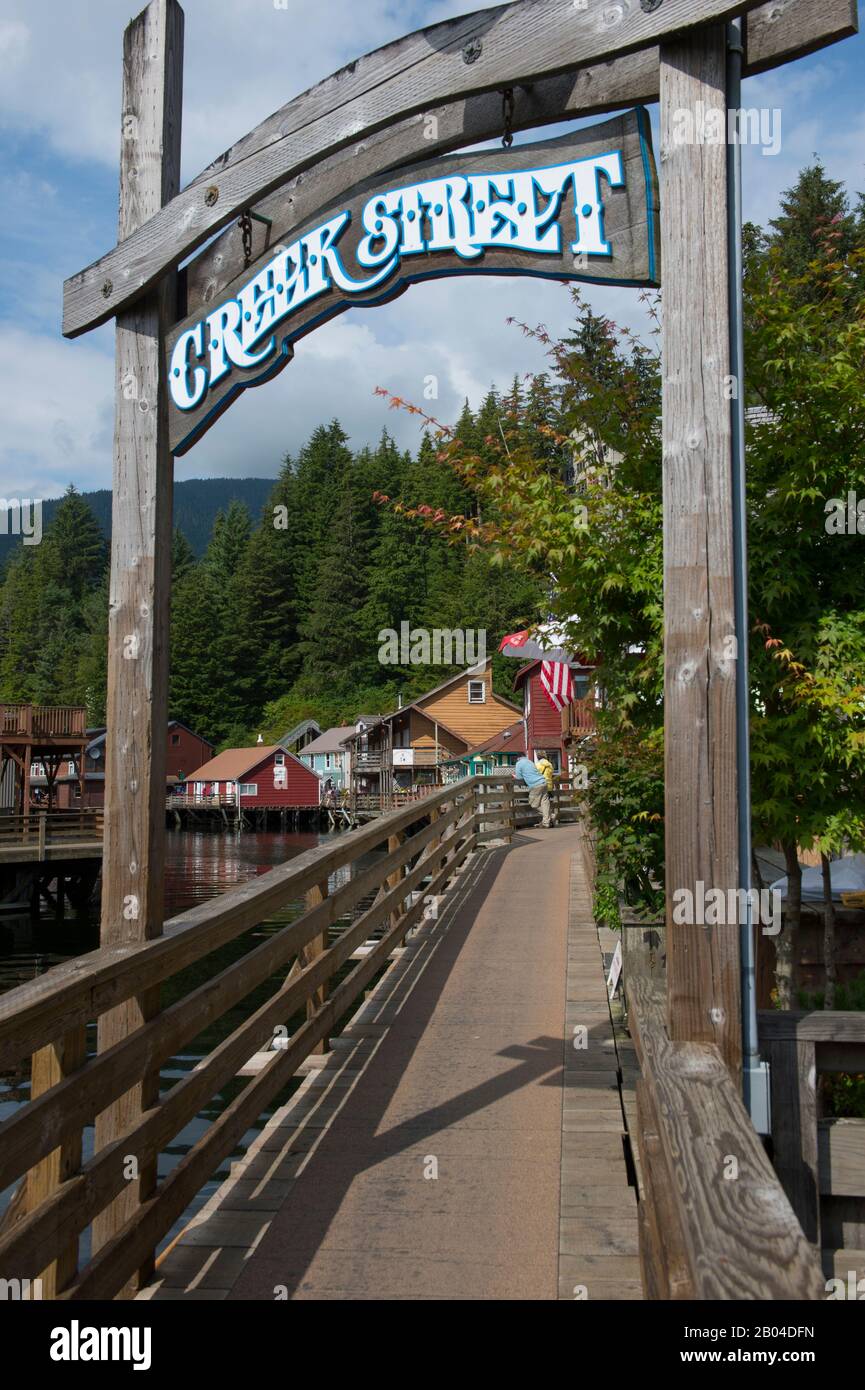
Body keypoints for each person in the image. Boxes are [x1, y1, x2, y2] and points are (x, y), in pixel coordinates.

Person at [513, 752, 553, 829]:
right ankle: (546, 821)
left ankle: (549, 817)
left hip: (535, 785)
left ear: (518, 758)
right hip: (543, 782)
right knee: (544, 802)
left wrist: (515, 776)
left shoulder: (519, 763)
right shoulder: (530, 761)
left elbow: (519, 777)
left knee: (533, 804)